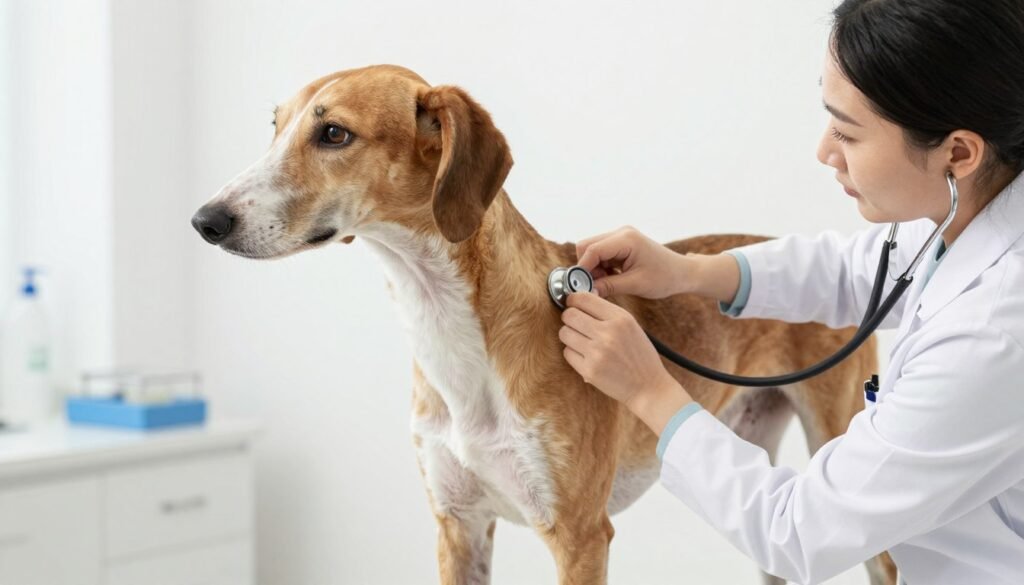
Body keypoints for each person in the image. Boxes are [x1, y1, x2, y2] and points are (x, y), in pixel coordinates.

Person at [557, 1, 1024, 583]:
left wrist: (652, 392)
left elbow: (800, 531)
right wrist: (689, 273)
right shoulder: (980, 206)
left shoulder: (995, 335)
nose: (825, 151)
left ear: (958, 153)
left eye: (848, 133)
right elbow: (861, 270)